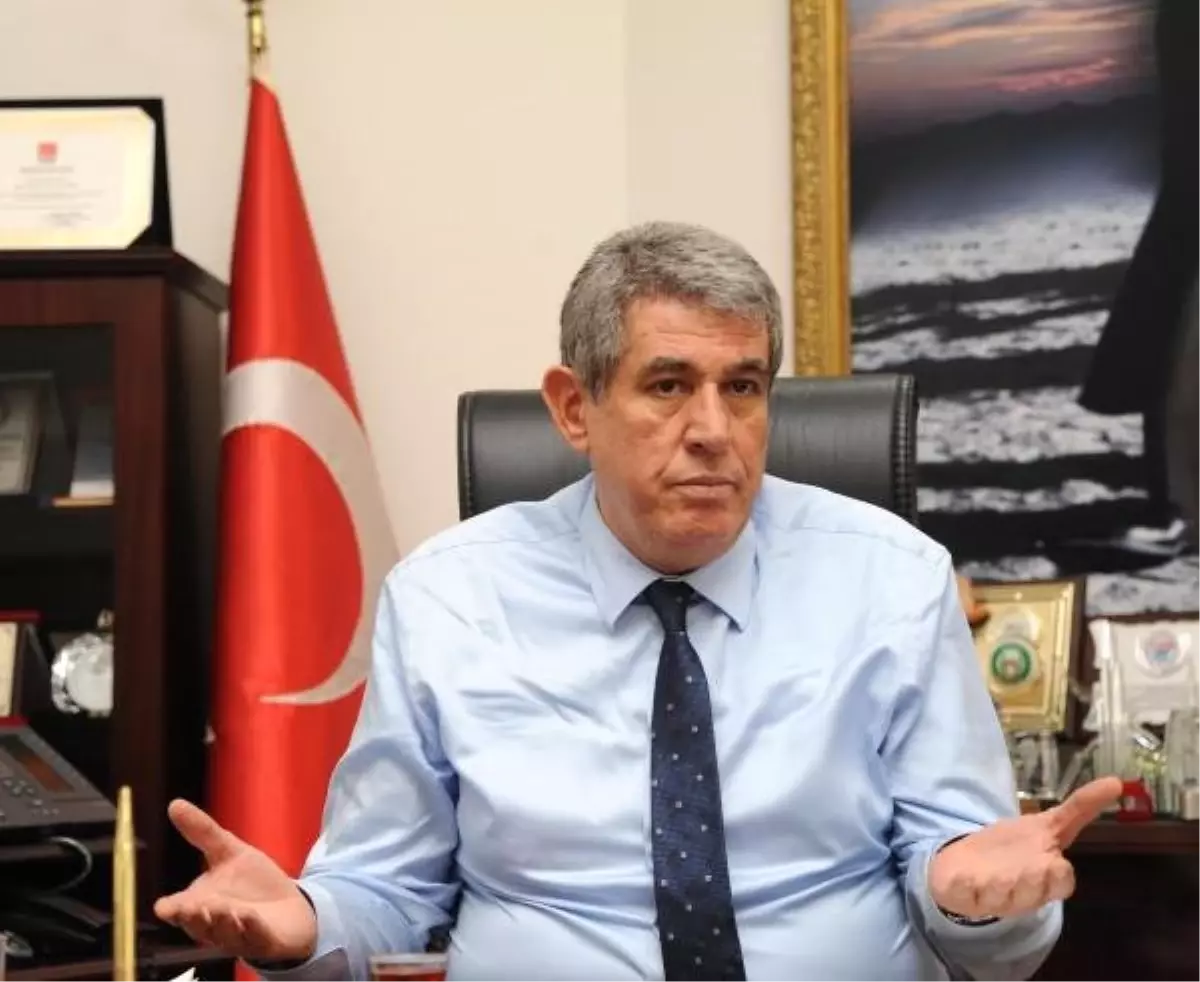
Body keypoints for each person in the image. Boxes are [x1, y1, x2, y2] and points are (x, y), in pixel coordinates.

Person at [156, 222, 1120, 981]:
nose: (713, 430)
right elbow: (386, 888)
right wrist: (304, 925)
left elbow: (977, 894)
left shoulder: (893, 578)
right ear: (574, 408)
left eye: (743, 387)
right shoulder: (449, 600)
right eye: (668, 385)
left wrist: (974, 900)